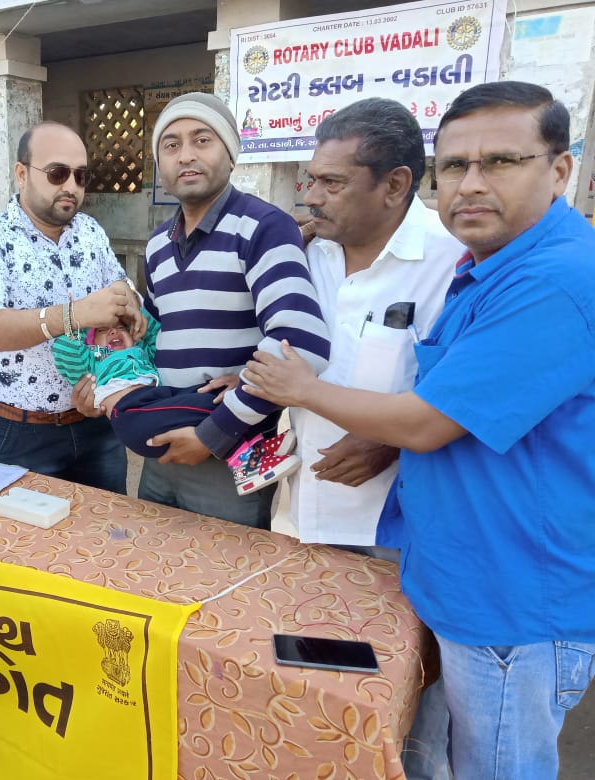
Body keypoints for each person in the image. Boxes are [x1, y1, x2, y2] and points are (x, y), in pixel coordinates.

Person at [242, 81, 595, 778]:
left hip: (510, 600)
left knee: (483, 762)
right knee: (395, 738)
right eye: (456, 166)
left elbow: (430, 420)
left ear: (559, 170)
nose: (470, 184)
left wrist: (311, 393)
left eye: (500, 162)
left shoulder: (549, 280)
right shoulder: (486, 266)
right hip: (442, 568)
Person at [291, 97, 463, 780]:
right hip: (301, 515)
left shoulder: (450, 262)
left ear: (394, 185)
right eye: (310, 179)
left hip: (395, 532)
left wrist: (390, 442)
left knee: (405, 713)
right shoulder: (308, 253)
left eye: (331, 183)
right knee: (314, 691)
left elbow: (460, 402)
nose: (311, 195)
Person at [74, 91, 329, 526]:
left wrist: (213, 433)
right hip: (161, 451)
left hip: (226, 456)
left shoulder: (263, 228)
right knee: (152, 570)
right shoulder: (158, 244)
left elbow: (301, 344)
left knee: (220, 581)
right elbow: (151, 339)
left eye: (202, 140)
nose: (186, 155)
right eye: (170, 145)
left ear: (231, 154)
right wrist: (106, 381)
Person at [0, 121, 144, 494]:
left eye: (80, 176)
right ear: (22, 174)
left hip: (99, 424)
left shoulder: (90, 231)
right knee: (31, 547)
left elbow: (124, 290)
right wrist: (74, 314)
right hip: (24, 433)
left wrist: (130, 308)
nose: (71, 186)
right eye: (58, 173)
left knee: (106, 538)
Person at [53, 319, 299, 493]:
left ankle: (255, 449)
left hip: (159, 400)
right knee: (212, 408)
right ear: (91, 342)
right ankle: (246, 465)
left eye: (120, 328)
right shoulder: (92, 358)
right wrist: (80, 318)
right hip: (130, 414)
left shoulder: (142, 352)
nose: (114, 332)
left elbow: (152, 331)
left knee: (215, 392)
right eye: (103, 331)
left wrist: (135, 313)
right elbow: (64, 348)